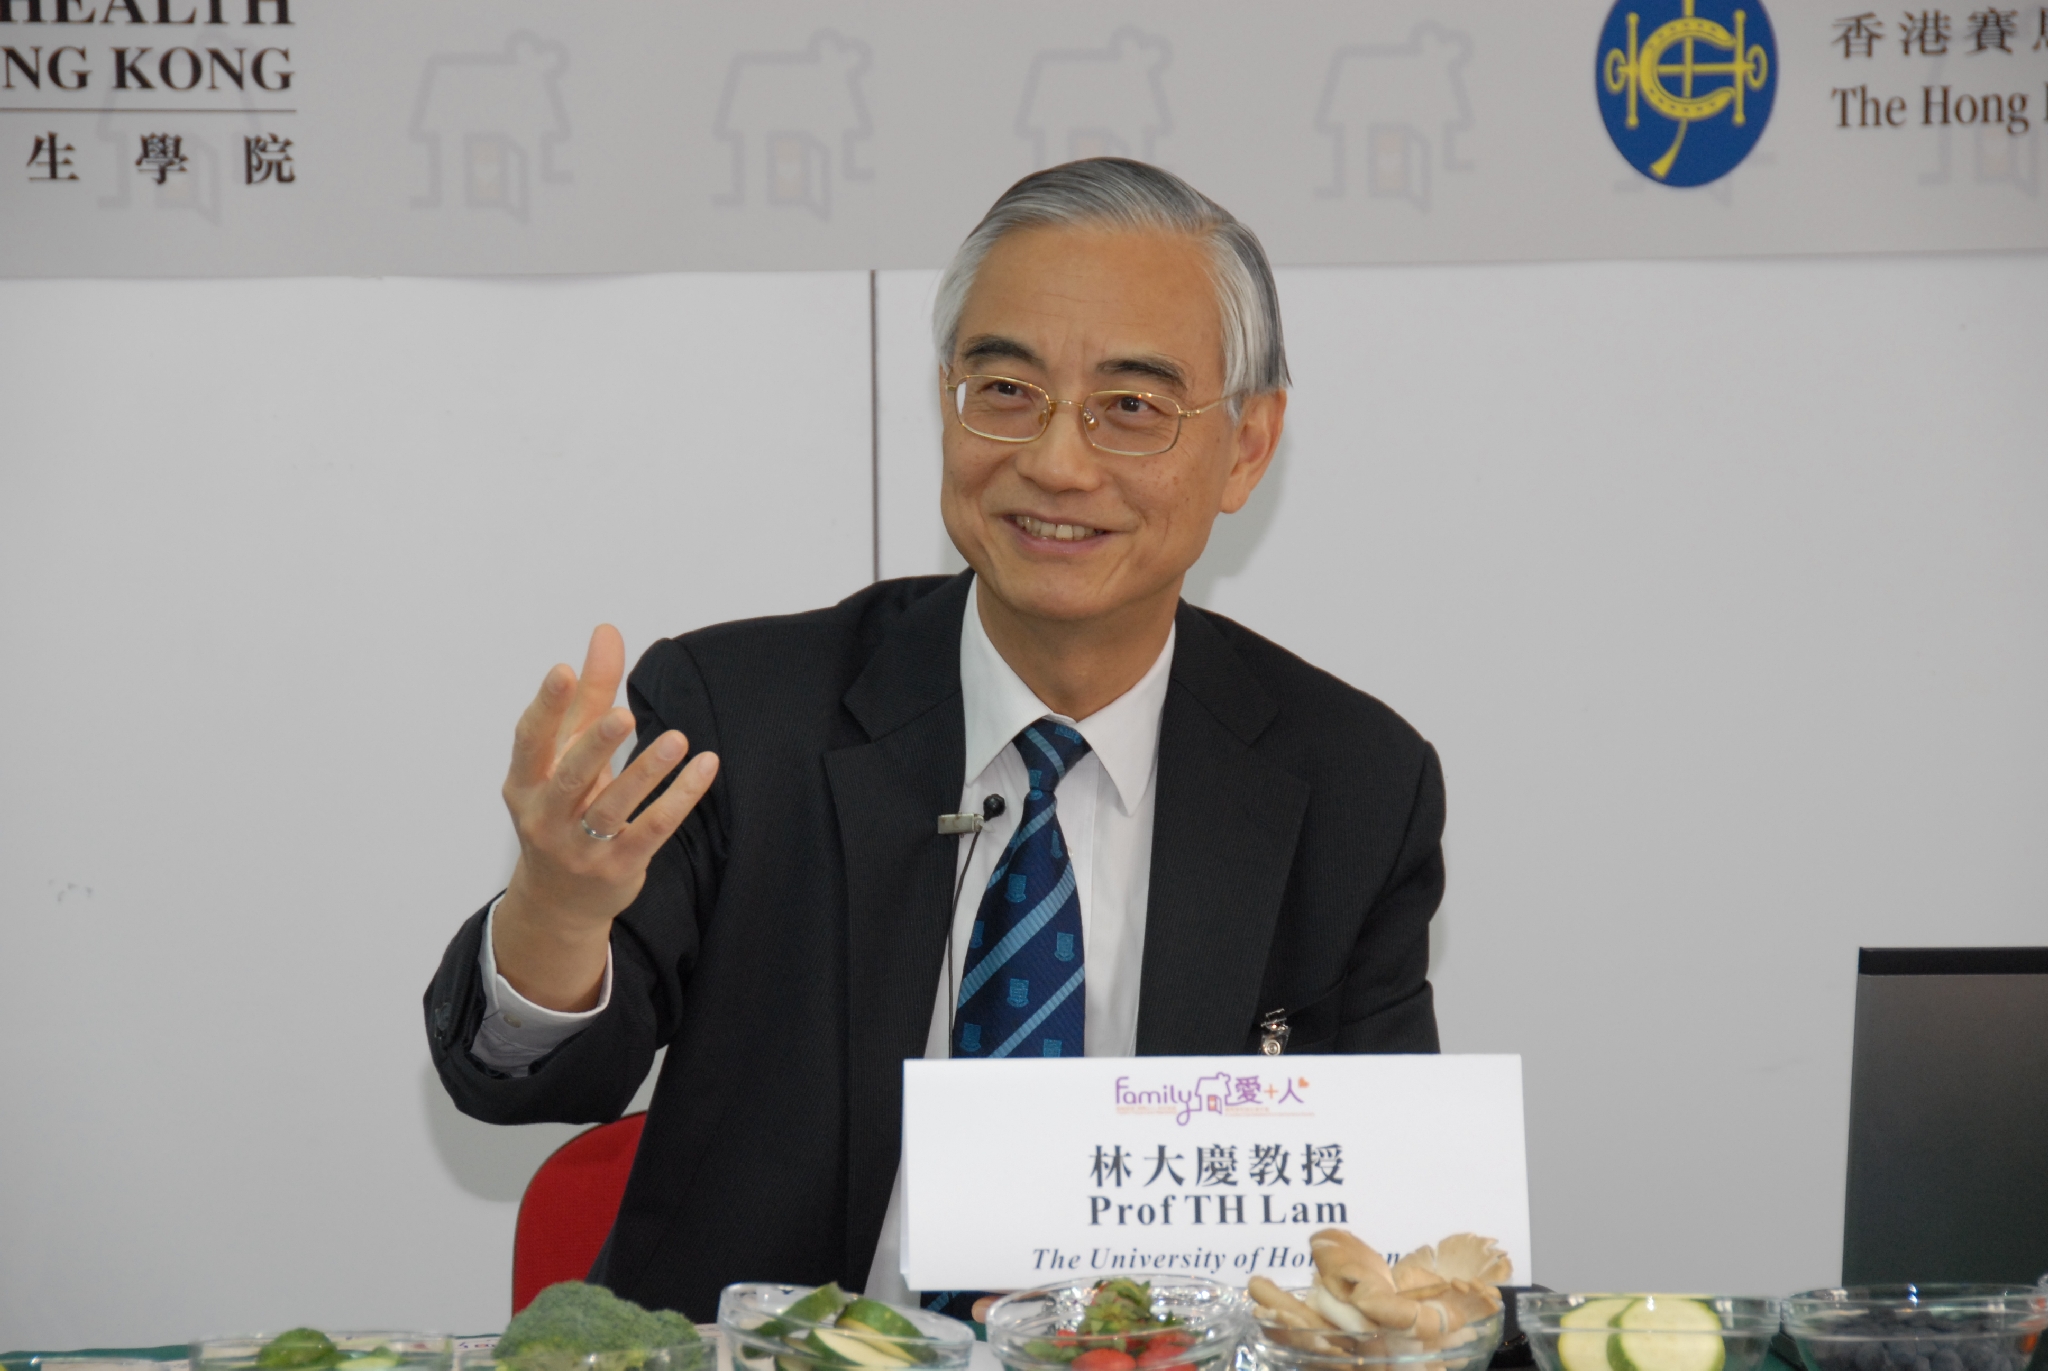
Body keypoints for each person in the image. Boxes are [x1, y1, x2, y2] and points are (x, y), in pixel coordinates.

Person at [425, 157, 1446, 1321]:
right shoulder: (740, 719)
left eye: (1129, 407)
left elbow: (1374, 1251)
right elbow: (522, 1080)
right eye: (1004, 389)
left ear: (1247, 446)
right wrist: (557, 913)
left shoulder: (1351, 789)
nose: (1055, 462)